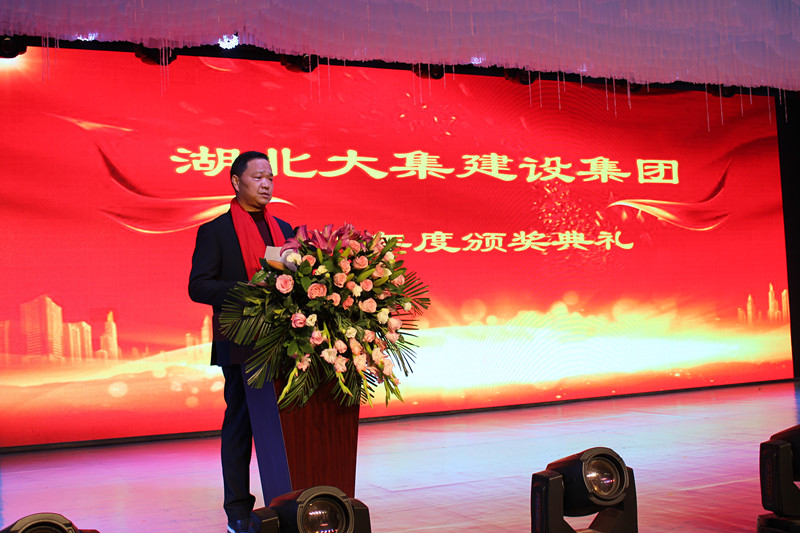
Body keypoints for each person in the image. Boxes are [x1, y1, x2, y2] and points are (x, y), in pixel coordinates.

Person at [188, 151, 295, 533]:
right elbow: (198, 287)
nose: (266, 184)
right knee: (240, 427)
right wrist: (249, 290)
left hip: (284, 342)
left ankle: (290, 503)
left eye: (271, 177)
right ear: (236, 182)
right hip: (241, 343)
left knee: (288, 429)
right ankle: (237, 511)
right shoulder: (216, 231)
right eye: (258, 177)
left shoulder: (284, 229)